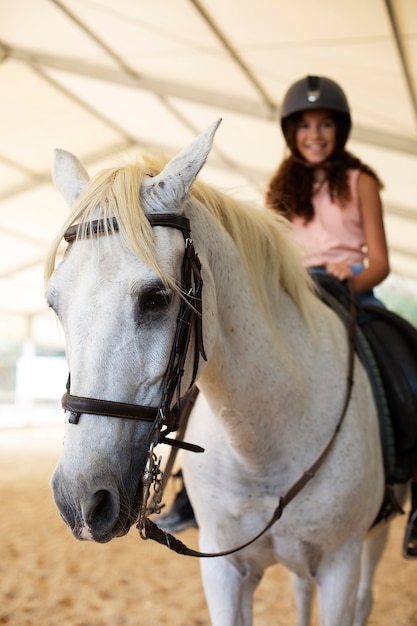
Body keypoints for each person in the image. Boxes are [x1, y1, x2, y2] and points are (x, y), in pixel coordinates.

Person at [265, 74, 416, 557]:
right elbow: (271, 254)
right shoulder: (280, 187)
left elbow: (380, 263)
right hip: (295, 296)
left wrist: (349, 276)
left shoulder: (361, 180)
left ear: (340, 129)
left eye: (325, 123)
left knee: (408, 361)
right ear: (292, 131)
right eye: (305, 124)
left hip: (352, 295)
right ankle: (190, 491)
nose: (315, 134)